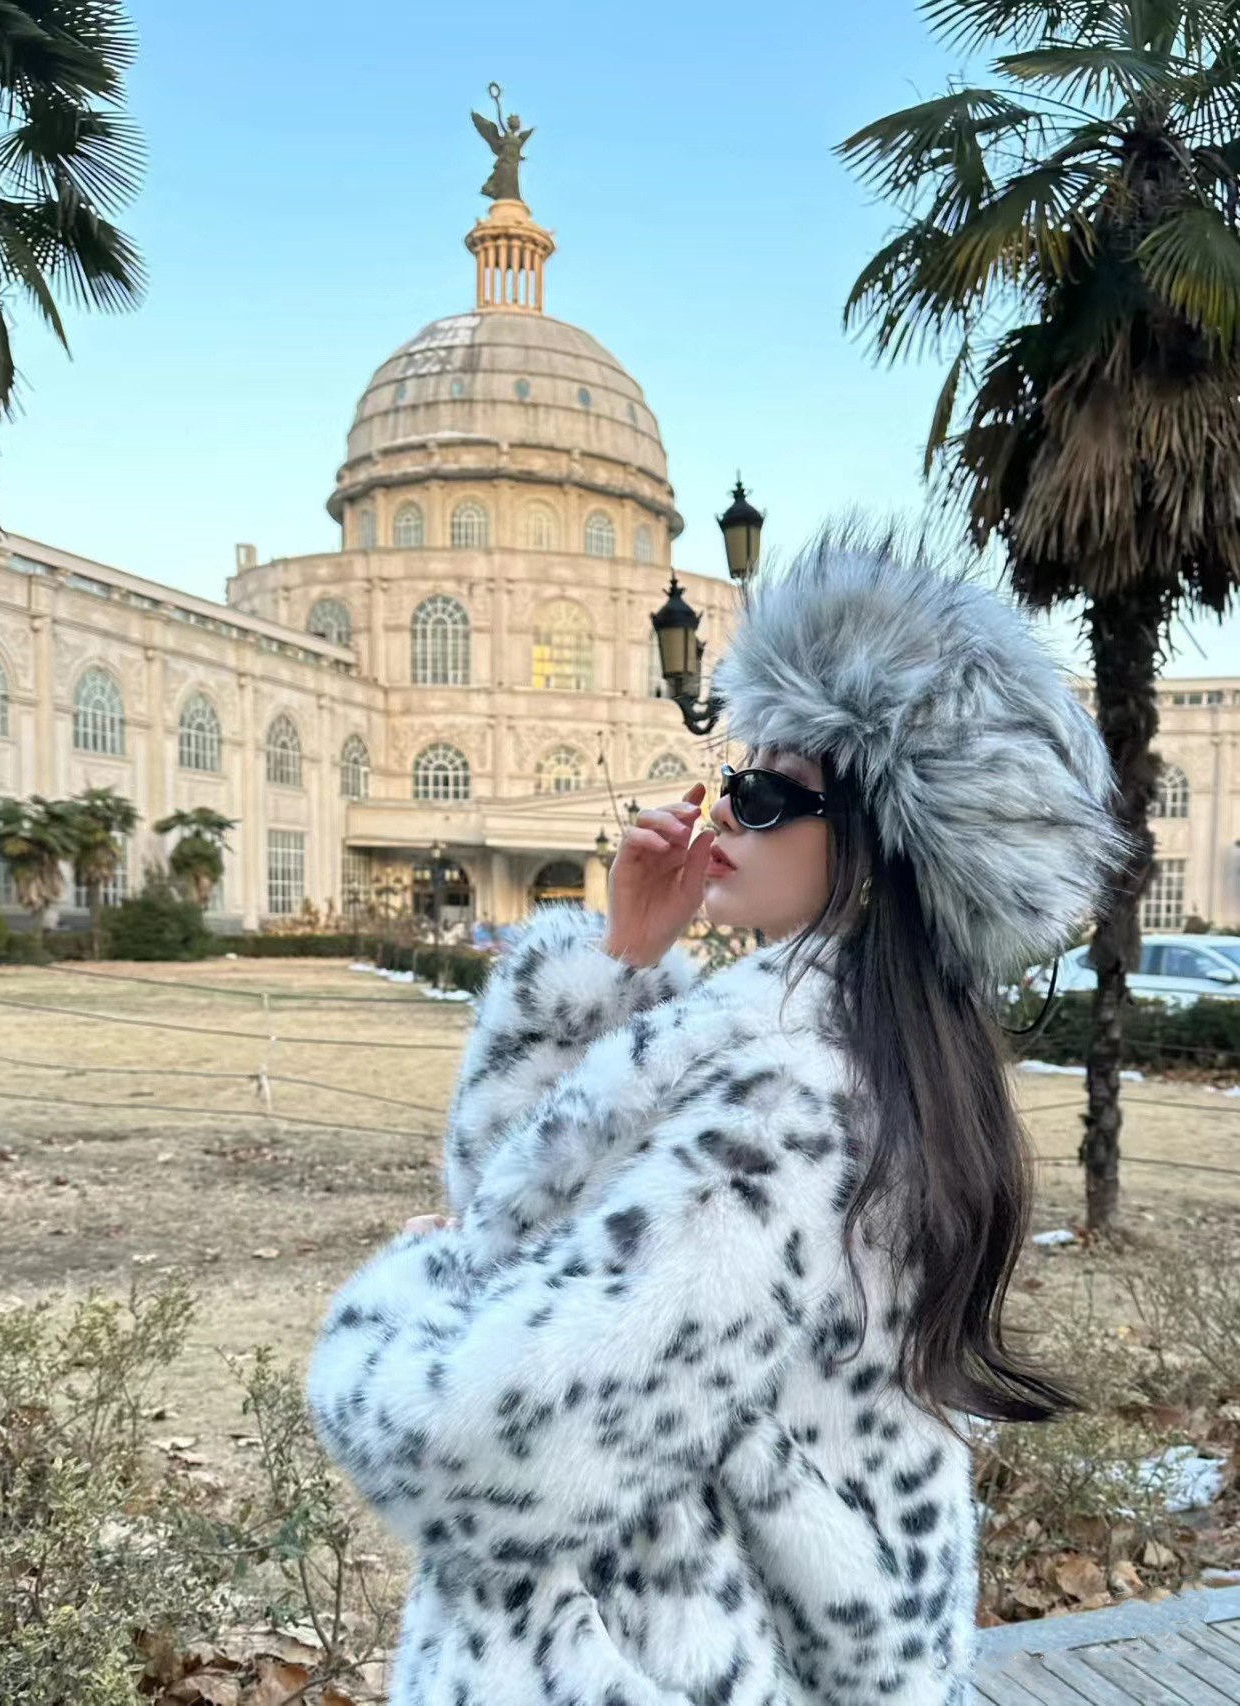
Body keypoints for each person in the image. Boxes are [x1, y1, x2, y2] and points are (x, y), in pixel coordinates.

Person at [306, 538, 1125, 1706]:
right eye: (733, 774)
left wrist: (413, 1283)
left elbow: (487, 1451)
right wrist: (621, 957)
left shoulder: (782, 1107)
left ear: (888, 839)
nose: (721, 808)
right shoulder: (885, 1061)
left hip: (646, 1653)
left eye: (768, 791)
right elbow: (521, 1199)